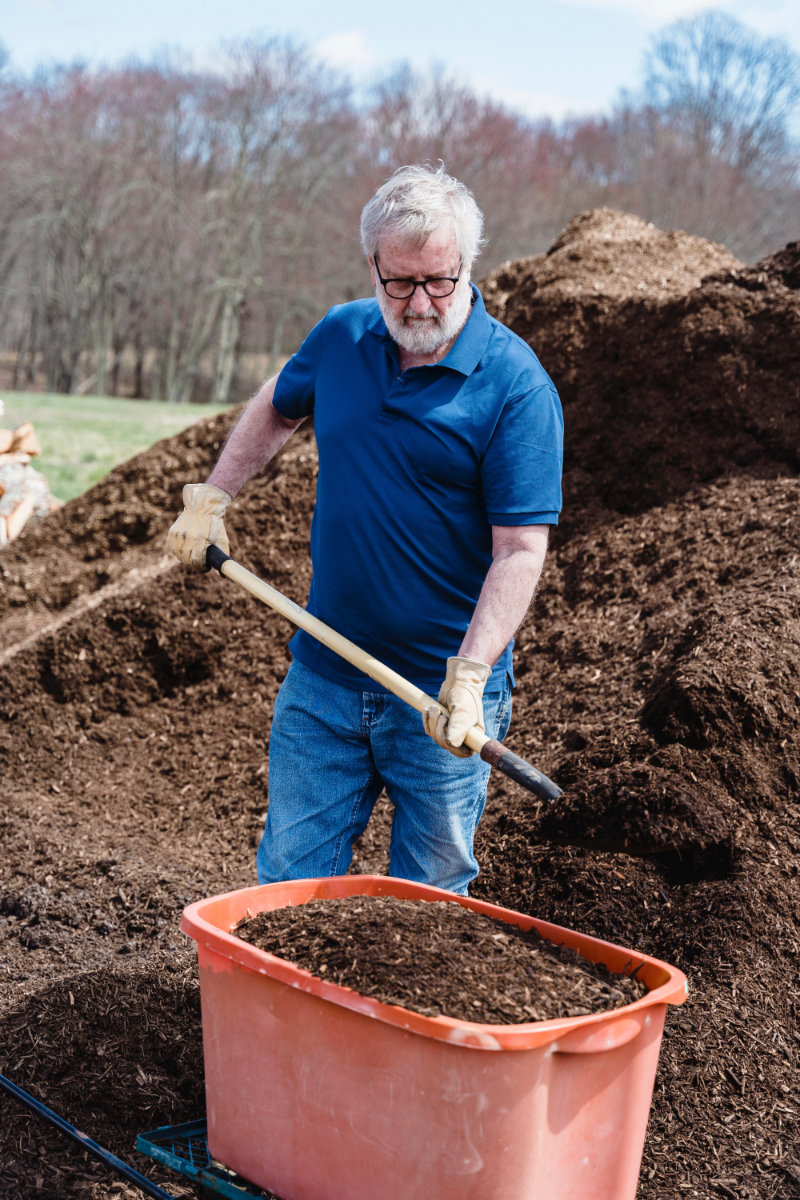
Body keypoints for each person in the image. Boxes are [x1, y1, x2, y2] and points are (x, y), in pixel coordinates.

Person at [167, 163, 563, 896]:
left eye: (438, 280)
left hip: (440, 697)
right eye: (399, 282)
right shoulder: (344, 334)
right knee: (285, 884)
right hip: (324, 676)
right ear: (373, 266)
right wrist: (213, 496)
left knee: (427, 902)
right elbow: (280, 403)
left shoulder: (515, 386)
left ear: (468, 265)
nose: (419, 303)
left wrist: (471, 675)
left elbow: (519, 550)